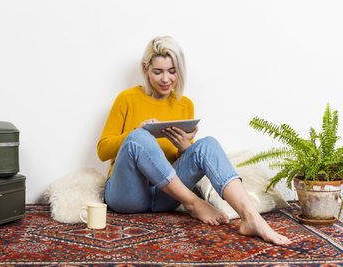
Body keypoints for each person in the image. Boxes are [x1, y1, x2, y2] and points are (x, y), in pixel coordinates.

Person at [97, 36, 292, 246]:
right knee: (139, 138)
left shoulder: (184, 105)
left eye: (172, 71)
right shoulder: (127, 98)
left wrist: (184, 147)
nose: (165, 79)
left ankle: (251, 218)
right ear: (145, 69)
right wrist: (136, 131)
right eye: (158, 72)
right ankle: (194, 203)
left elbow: (182, 161)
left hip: (165, 196)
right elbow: (102, 150)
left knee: (207, 143)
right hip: (127, 196)